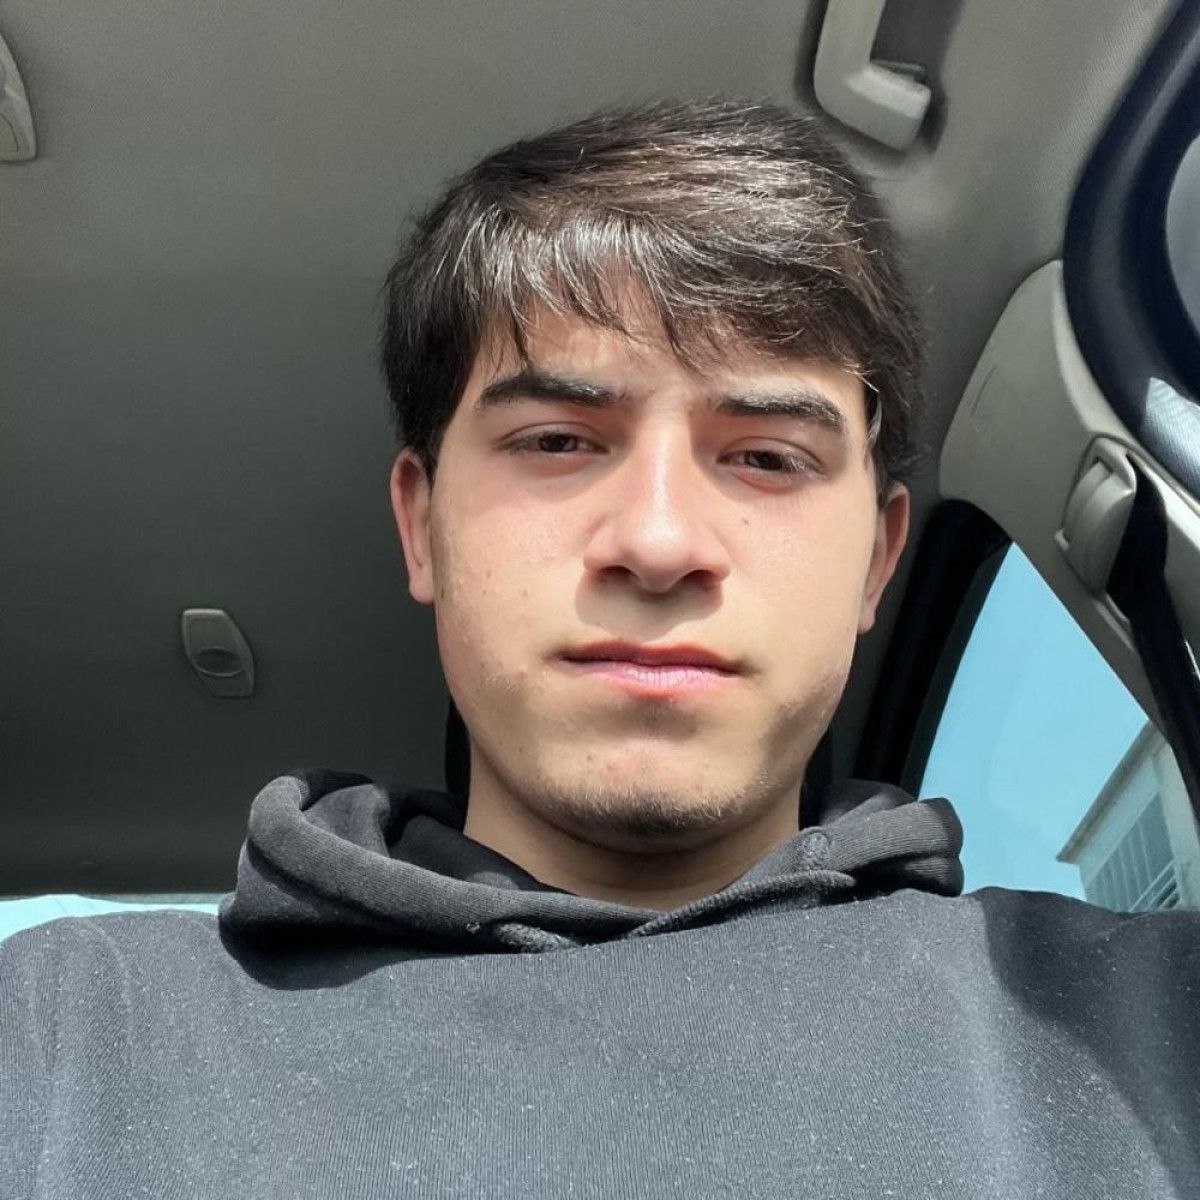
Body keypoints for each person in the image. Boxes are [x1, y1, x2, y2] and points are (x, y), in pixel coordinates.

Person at [2, 99, 1198, 1199]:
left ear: (877, 563)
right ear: (421, 526)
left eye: (767, 456)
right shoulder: (61, 1036)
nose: (660, 543)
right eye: (560, 442)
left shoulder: (1149, 1021)